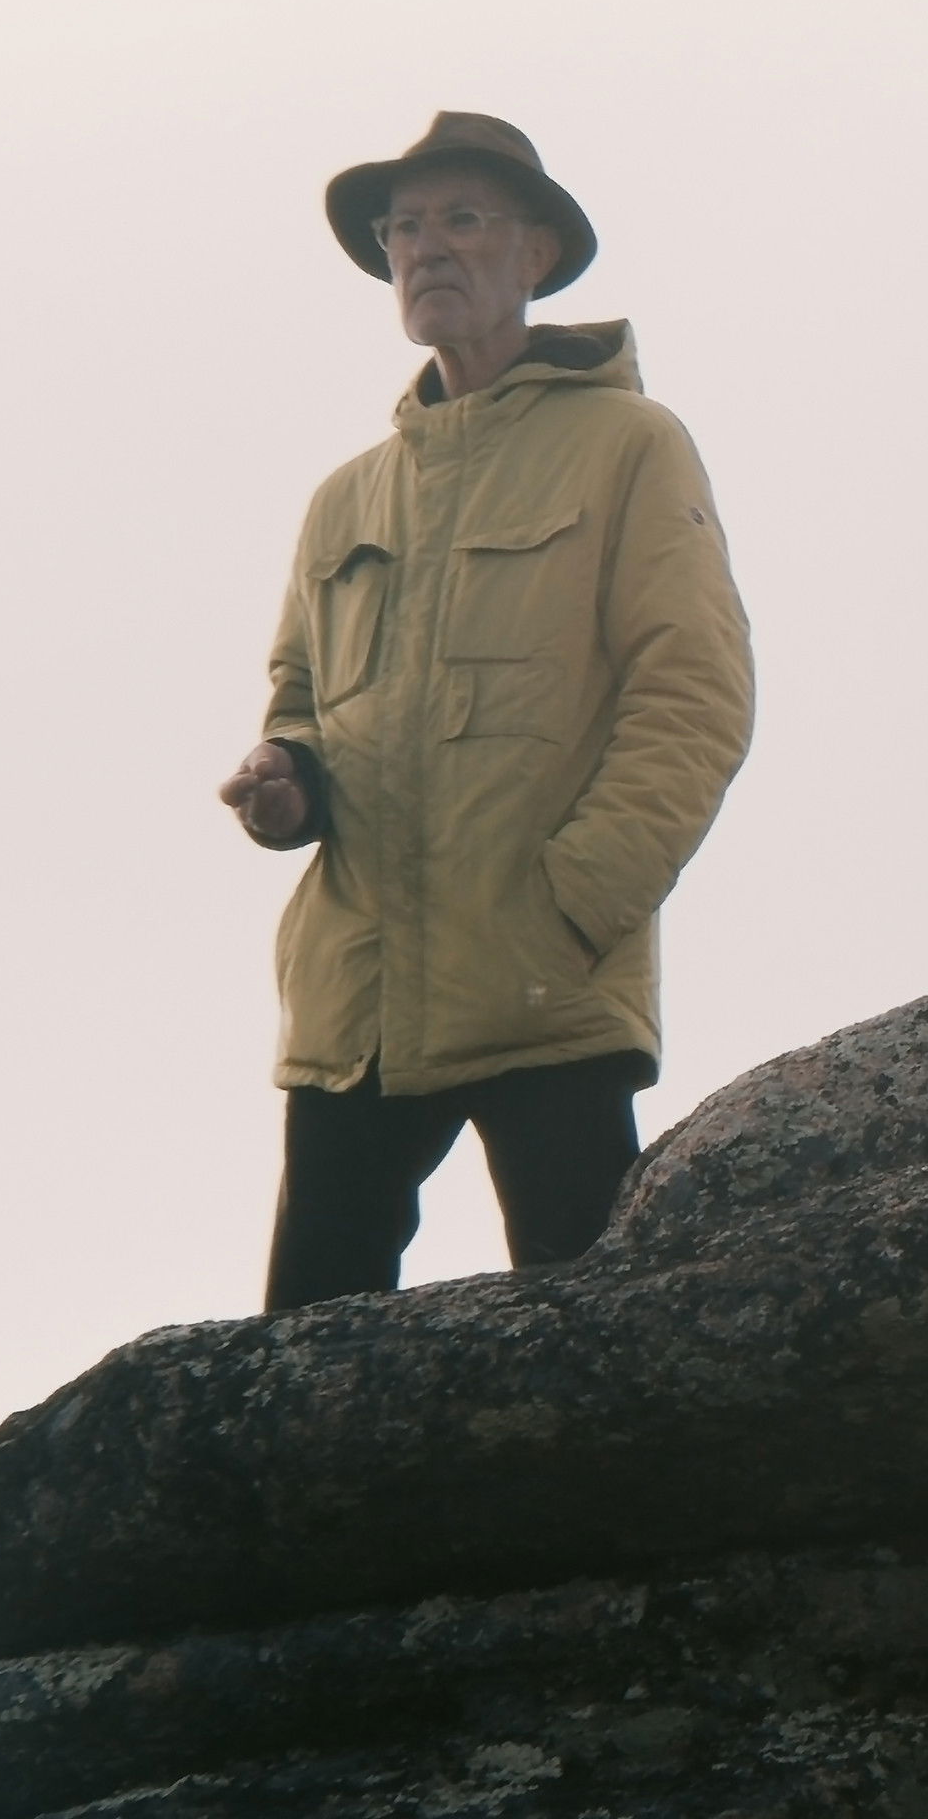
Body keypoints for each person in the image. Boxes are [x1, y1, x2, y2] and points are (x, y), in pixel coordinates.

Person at [221, 112, 754, 1312]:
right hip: (357, 1004)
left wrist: (580, 900)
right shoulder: (346, 498)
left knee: (596, 1350)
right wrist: (285, 778)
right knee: (301, 1360)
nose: (426, 248)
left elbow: (697, 690)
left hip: (545, 983)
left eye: (461, 218)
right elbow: (300, 702)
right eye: (402, 227)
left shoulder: (629, 445)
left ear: (537, 254)